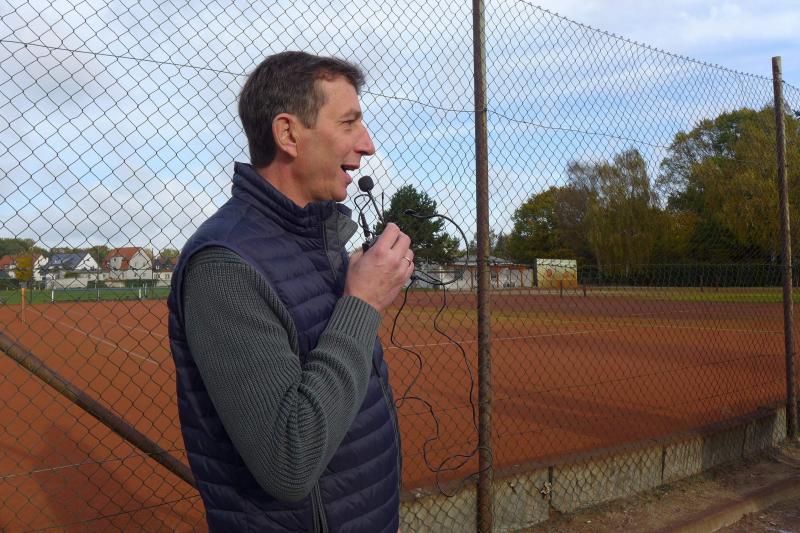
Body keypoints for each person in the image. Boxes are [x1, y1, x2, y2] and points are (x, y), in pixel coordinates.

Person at [167, 51, 414, 532]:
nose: (368, 144)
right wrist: (362, 303)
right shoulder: (224, 265)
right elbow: (289, 461)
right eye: (349, 123)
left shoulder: (320, 244)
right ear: (288, 134)